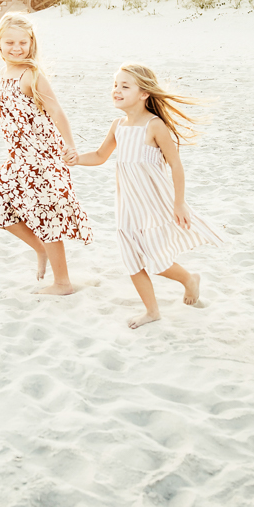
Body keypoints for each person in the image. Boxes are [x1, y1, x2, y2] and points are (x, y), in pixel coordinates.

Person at [66, 63, 223, 328]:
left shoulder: (154, 125)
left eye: (125, 86)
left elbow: (175, 164)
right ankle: (152, 311)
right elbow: (100, 156)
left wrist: (179, 202)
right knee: (131, 260)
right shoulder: (118, 125)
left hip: (153, 204)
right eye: (115, 85)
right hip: (127, 206)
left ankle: (188, 279)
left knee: (157, 261)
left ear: (143, 94)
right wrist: (76, 159)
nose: (117, 90)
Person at [0, 13, 93, 295]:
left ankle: (62, 283)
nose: (17, 47)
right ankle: (40, 249)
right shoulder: (4, 72)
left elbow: (56, 110)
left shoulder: (30, 74)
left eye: (23, 42)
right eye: (9, 42)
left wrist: (70, 145)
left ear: (32, 43)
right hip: (18, 157)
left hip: (41, 158)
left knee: (46, 217)